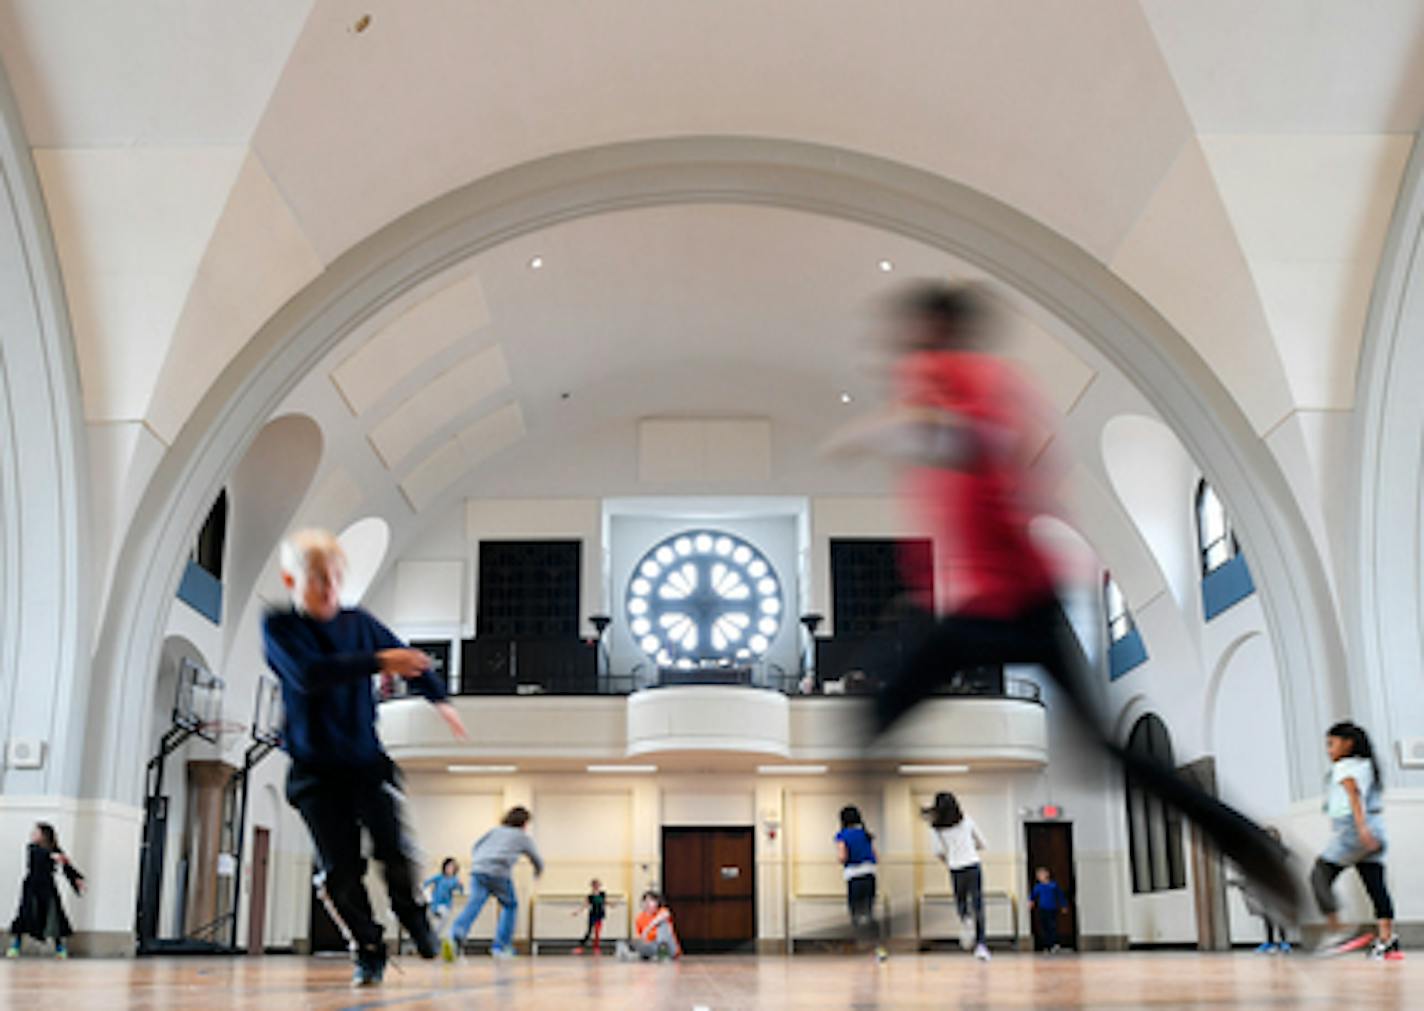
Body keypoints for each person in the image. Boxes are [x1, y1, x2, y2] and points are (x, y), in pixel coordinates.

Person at [827, 282, 1300, 922]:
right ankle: (1255, 853)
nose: (906, 354)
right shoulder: (950, 385)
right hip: (990, 608)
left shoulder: (966, 379)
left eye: (915, 340)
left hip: (1012, 602)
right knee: (880, 718)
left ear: (938, 332)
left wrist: (882, 432)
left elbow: (977, 441)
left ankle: (1256, 852)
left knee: (882, 715)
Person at [263, 528, 469, 987]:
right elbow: (309, 675)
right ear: (292, 581)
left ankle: (413, 918)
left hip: (364, 763)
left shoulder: (359, 624)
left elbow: (411, 660)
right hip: (314, 771)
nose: (330, 589)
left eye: (336, 578)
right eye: (318, 580)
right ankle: (369, 946)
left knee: (394, 849)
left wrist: (441, 701)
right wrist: (379, 662)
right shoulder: (280, 627)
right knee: (340, 872)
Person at [1312, 722, 1401, 960]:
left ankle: (1339, 930)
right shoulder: (1367, 765)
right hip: (1376, 828)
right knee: (1375, 884)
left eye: (1332, 744)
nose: (1328, 750)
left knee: (1319, 874)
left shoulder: (1344, 766)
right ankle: (1387, 941)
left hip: (1355, 831)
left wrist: (1361, 830)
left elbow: (1353, 794)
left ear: (1347, 744)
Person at [445, 806, 544, 961]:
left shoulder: (495, 831)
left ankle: (454, 935)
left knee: (474, 905)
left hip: (478, 870)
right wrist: (538, 874)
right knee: (510, 905)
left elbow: (476, 846)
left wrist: (480, 862)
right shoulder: (522, 837)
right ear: (523, 823)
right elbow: (537, 859)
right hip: (498, 872)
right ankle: (501, 947)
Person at [924, 791, 990, 961]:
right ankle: (981, 945)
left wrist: (950, 859)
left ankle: (965, 919)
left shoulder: (936, 827)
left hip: (956, 867)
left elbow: (938, 852)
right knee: (978, 905)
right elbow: (983, 842)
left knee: (960, 901)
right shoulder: (966, 820)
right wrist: (971, 847)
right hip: (973, 864)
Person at [6, 823, 84, 959]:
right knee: (24, 915)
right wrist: (51, 856)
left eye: (36, 832)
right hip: (31, 887)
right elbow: (38, 856)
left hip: (48, 887)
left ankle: (60, 948)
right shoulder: (32, 848)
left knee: (54, 916)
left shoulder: (55, 849)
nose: (32, 834)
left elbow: (66, 866)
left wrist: (76, 878)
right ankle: (15, 947)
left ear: (44, 835)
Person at [835, 806, 887, 961]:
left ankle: (861, 947)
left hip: (854, 877)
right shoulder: (866, 834)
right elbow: (876, 857)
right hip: (870, 875)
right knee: (869, 913)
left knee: (856, 913)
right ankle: (879, 948)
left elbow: (842, 856)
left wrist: (840, 860)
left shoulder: (842, 835)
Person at [617, 890, 680, 961]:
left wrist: (648, 928)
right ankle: (640, 955)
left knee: (663, 924)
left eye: (651, 901)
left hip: (668, 947)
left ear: (657, 903)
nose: (648, 903)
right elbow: (643, 937)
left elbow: (665, 915)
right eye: (645, 901)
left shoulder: (662, 911)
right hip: (653, 945)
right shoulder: (639, 918)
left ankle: (663, 953)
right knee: (624, 943)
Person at [1029, 866, 1067, 953]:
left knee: (1052, 926)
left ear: (1047, 874)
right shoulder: (1038, 887)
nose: (1040, 877)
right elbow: (1033, 896)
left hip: (1052, 909)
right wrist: (1031, 902)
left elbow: (1060, 896)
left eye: (1041, 874)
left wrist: (1063, 905)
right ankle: (1047, 945)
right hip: (1043, 909)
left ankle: (1054, 944)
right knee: (1044, 927)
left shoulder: (1053, 885)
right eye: (1038, 875)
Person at [423, 858, 464, 936]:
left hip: (445, 906)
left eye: (452, 867)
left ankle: (433, 937)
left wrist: (460, 886)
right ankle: (428, 936)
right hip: (434, 904)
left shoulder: (454, 880)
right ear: (444, 867)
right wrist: (426, 891)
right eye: (448, 867)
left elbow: (460, 890)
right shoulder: (439, 877)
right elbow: (426, 883)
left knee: (441, 923)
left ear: (455, 869)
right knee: (427, 920)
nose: (449, 869)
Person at [571, 878, 607, 955]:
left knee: (597, 932)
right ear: (592, 886)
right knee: (589, 932)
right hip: (592, 915)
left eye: (597, 885)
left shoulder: (602, 894)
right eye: (595, 885)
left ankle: (596, 948)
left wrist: (611, 904)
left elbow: (605, 902)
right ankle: (580, 948)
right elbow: (585, 905)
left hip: (599, 915)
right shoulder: (590, 896)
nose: (596, 886)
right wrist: (577, 912)